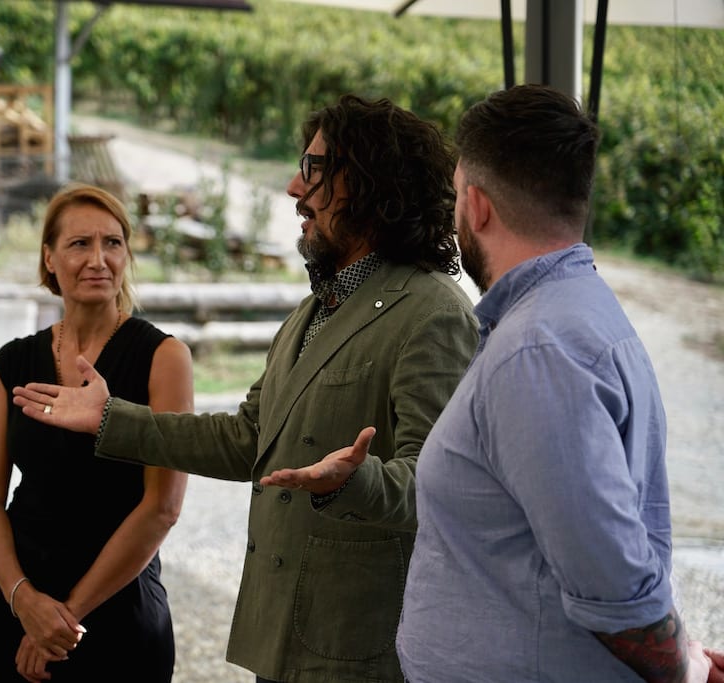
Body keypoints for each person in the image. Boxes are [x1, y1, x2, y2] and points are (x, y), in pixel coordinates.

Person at [9, 95, 479, 682]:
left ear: (370, 183)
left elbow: (438, 487)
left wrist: (352, 482)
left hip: (360, 650)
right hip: (285, 641)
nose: (293, 188)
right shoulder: (314, 310)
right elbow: (247, 438)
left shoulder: (433, 313)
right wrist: (111, 419)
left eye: (313, 169)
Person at [261, 84, 720, 682]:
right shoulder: (576, 315)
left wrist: (684, 669)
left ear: (475, 206)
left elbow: (611, 579)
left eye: (457, 196)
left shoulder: (537, 353)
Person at [0, 183, 193, 682]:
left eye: (112, 243)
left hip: (118, 608)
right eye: (79, 244)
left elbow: (163, 506)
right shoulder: (12, 362)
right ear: (49, 258)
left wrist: (65, 618)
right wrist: (23, 599)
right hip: (18, 603)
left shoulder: (163, 358)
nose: (98, 259)